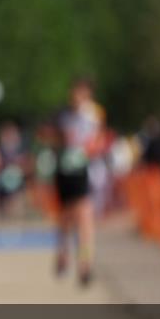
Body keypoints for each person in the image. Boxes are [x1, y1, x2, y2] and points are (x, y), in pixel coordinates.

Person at [53, 77, 106, 286]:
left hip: (84, 170)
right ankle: (63, 252)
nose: (77, 97)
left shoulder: (94, 114)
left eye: (82, 93)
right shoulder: (62, 115)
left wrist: (86, 151)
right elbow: (55, 139)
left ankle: (85, 263)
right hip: (65, 171)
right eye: (75, 92)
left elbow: (100, 140)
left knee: (85, 217)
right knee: (66, 218)